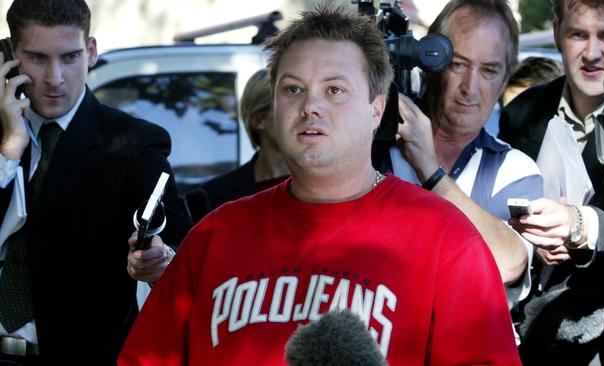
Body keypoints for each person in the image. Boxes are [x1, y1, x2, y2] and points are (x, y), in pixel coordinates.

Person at [119, 6, 520, 365]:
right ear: (274, 105)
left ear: (377, 109)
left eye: (335, 90)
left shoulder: (444, 240)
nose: (311, 105)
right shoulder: (214, 237)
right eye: (293, 89)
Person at [0, 0, 191, 364]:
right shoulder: (4, 138)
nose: (55, 78)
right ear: (9, 55)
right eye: (37, 58)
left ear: (90, 51)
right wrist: (9, 150)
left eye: (70, 57)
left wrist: (159, 259)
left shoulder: (134, 143)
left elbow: (180, 246)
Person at [499, 0, 604, 363]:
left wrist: (579, 226)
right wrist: (531, 239)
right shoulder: (523, 112)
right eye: (578, 34)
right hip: (532, 334)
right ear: (556, 33)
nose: (592, 53)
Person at [380, 0, 542, 302]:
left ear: (506, 78)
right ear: (427, 61)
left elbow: (508, 264)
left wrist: (430, 172)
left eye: (489, 70)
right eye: (457, 64)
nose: (470, 86)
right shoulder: (373, 145)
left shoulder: (512, 168)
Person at [186, 69, 289, 223]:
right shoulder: (214, 196)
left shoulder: (324, 186)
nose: (303, 113)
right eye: (287, 105)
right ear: (258, 120)